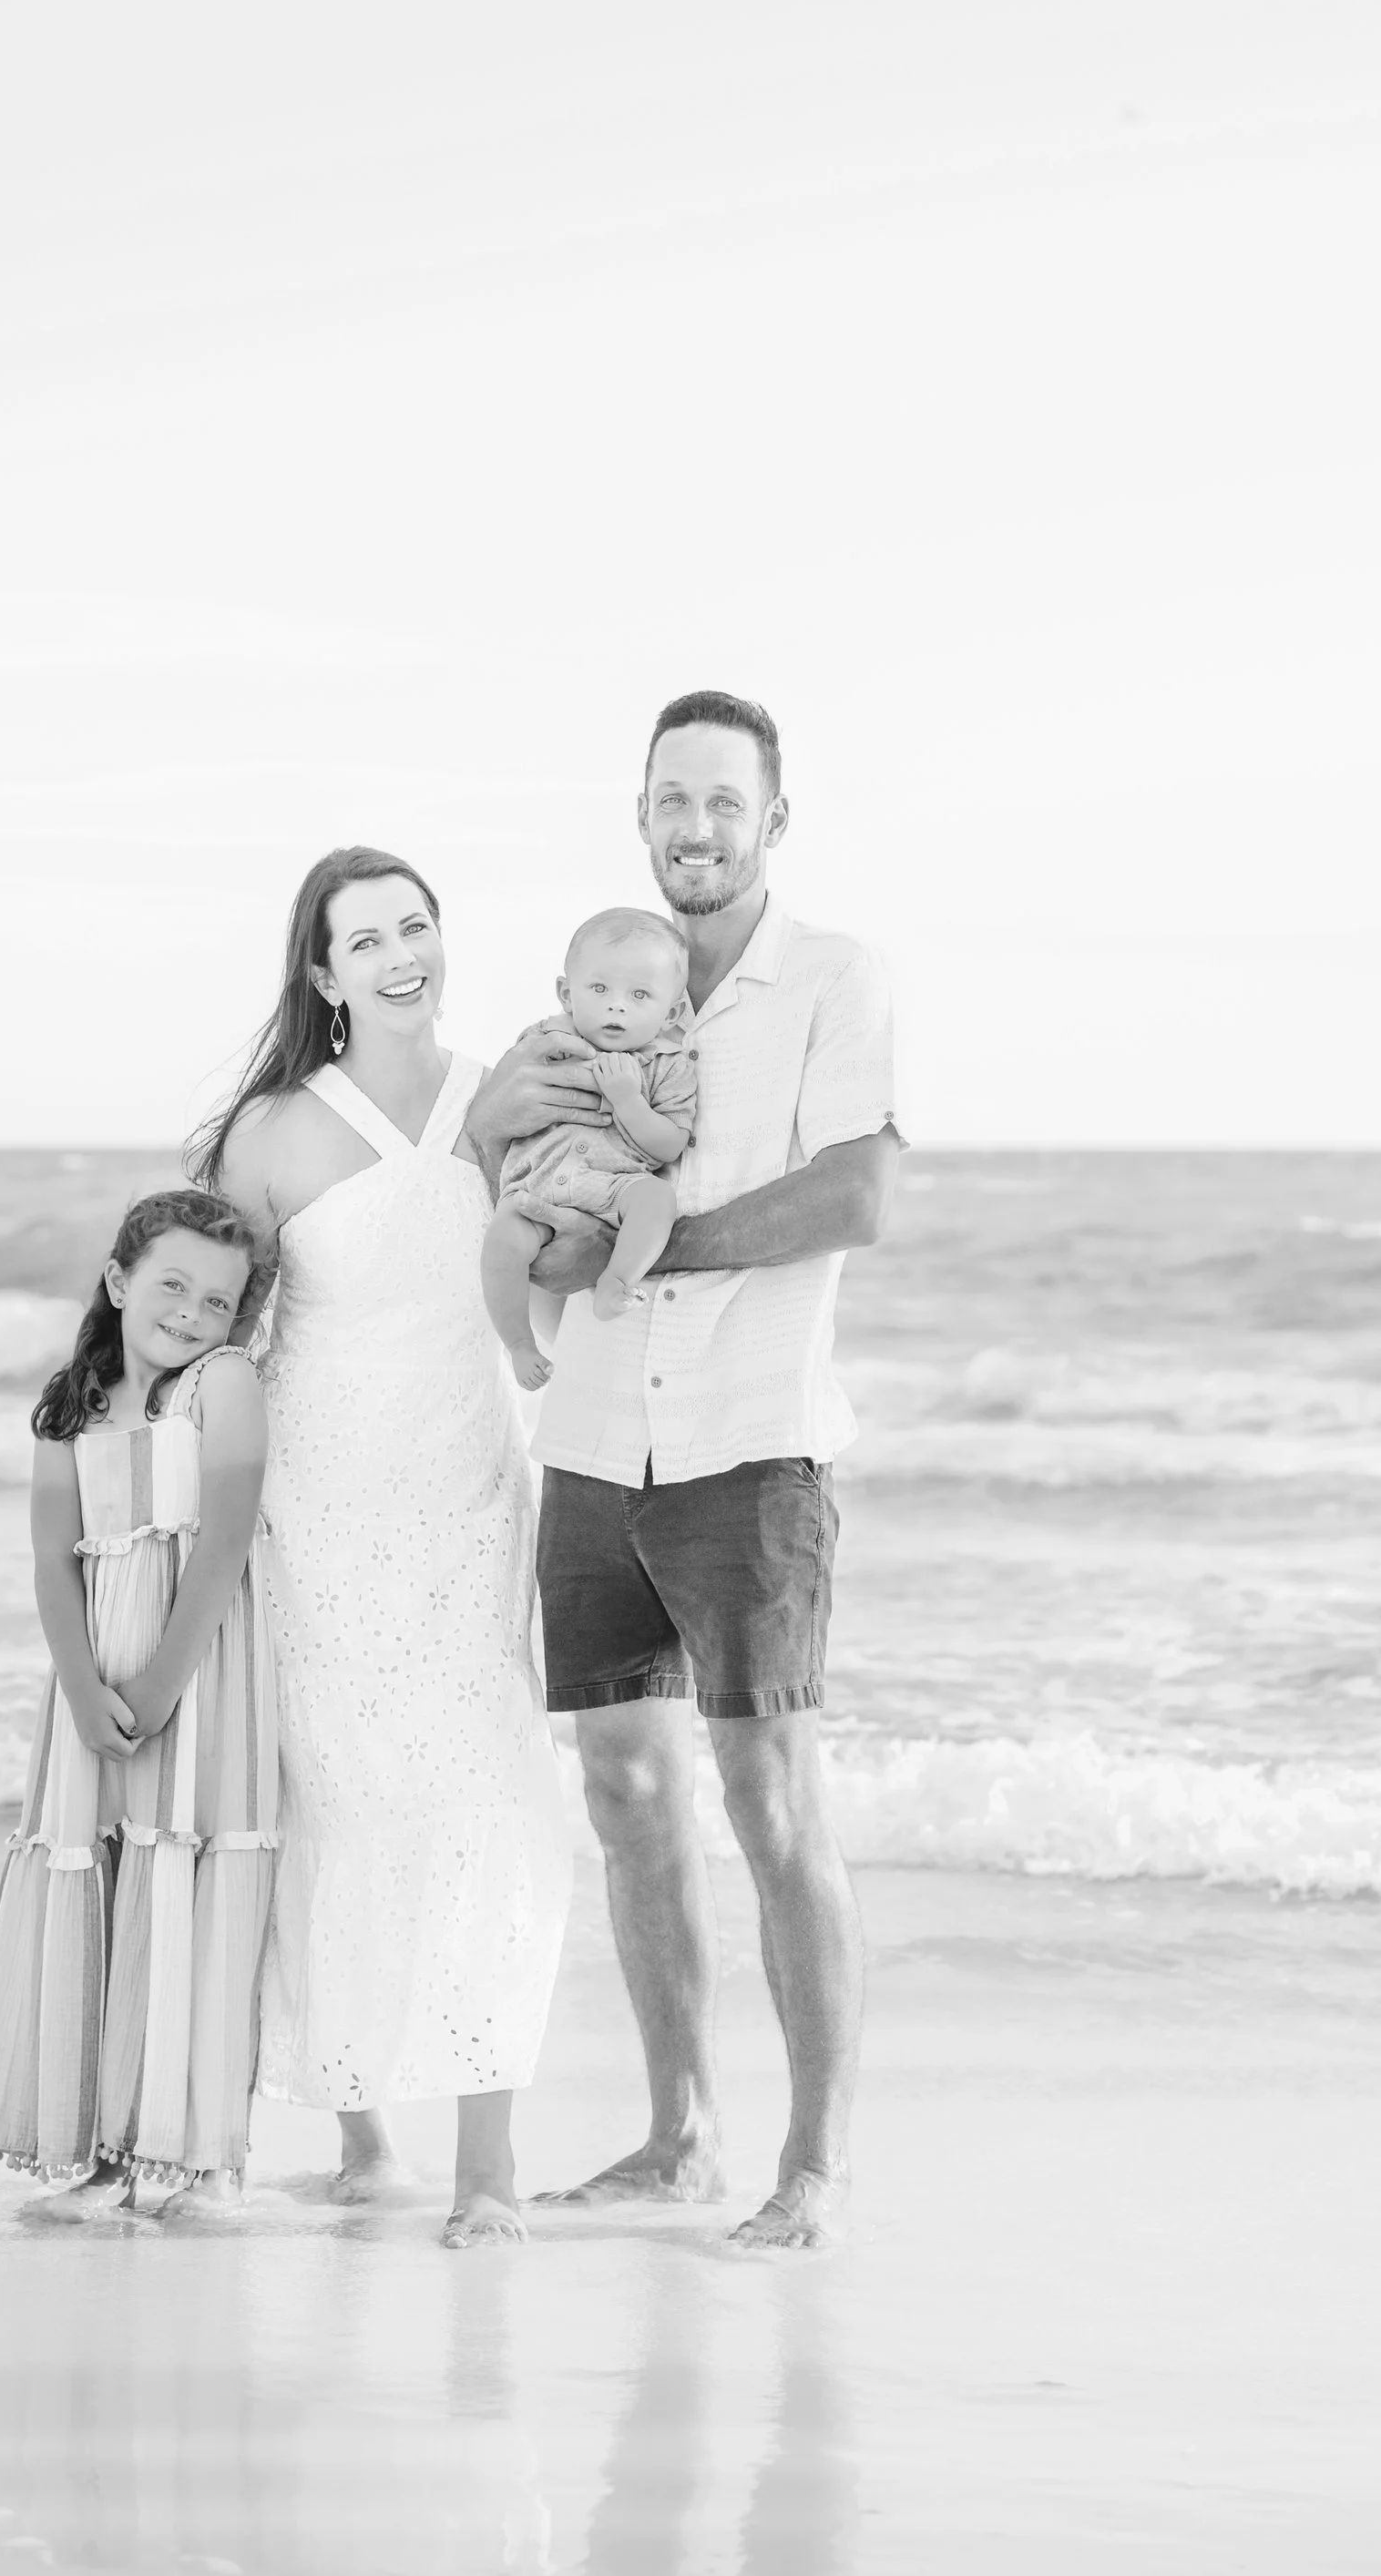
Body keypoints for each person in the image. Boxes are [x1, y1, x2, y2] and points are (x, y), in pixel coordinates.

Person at [465, 689, 896, 2254]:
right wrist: (501, 1140)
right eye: (670, 799)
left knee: (772, 1803)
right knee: (628, 1791)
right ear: (639, 815)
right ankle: (676, 2137)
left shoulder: (831, 982)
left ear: (773, 819)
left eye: (724, 800)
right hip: (588, 1445)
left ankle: (816, 2166)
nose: (694, 825)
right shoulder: (596, 986)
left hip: (749, 1447)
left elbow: (858, 1194)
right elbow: (495, 1151)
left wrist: (662, 1258)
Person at [195, 845, 573, 2249]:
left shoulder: (508, 1095)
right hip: (322, 1503)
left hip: (473, 1491)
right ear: (324, 972)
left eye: (417, 927)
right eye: (368, 940)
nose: (402, 954)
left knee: (491, 1810)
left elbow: (575, 1239)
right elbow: (220, 1327)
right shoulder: (275, 1132)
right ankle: (362, 2132)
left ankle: (490, 2172)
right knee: (341, 1801)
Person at [0, 1187, 278, 2216]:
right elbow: (52, 1563)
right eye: (171, 1285)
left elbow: (223, 1543)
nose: (191, 1313)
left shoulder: (224, 1384)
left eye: (217, 1301)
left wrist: (165, 1679)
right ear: (120, 1281)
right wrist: (85, 1695)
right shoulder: (67, 1405)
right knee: (101, 1871)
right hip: (89, 1678)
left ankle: (192, 2153)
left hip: (201, 1667)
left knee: (188, 1868)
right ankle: (91, 2144)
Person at [479, 905, 699, 1392]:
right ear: (566, 993)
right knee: (502, 1242)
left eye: (640, 995)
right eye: (599, 990)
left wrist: (628, 1100)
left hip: (613, 1187)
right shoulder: (546, 1040)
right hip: (537, 1183)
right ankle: (518, 1343)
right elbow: (506, 1097)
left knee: (656, 1199)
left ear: (673, 1012)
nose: (616, 1006)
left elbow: (669, 1144)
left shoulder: (668, 1066)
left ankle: (618, 1279)